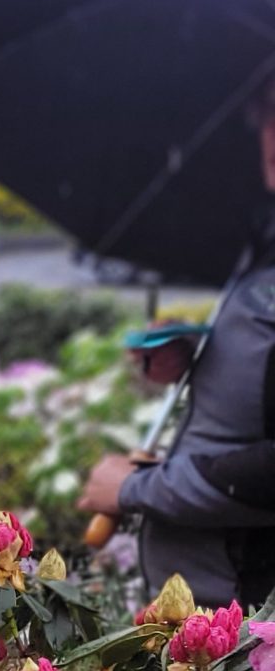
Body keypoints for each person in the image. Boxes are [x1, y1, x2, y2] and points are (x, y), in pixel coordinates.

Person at [77, 76, 275, 611]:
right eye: (268, 111)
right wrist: (199, 359)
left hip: (251, 646)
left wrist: (136, 489)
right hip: (208, 632)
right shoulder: (265, 241)